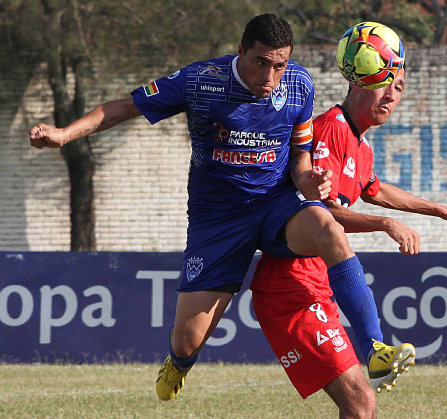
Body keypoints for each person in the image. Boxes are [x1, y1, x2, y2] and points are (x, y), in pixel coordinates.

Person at [28, 14, 395, 404]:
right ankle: (178, 362)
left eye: (279, 65)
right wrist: (64, 134)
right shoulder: (201, 81)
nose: (270, 76)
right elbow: (123, 107)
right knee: (188, 340)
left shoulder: (299, 84)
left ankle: (375, 348)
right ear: (241, 52)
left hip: (275, 205)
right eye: (261, 62)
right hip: (218, 221)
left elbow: (300, 164)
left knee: (329, 230)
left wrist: (312, 183)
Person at [250, 65, 447, 417]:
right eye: (384, 84)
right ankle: (375, 349)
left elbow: (376, 190)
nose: (392, 94)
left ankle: (376, 350)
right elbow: (325, 213)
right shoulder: (332, 128)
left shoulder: (360, 145)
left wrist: (445, 210)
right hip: (289, 287)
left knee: (362, 402)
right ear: (357, 83)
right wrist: (386, 224)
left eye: (399, 87)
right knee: (361, 401)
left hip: (314, 282)